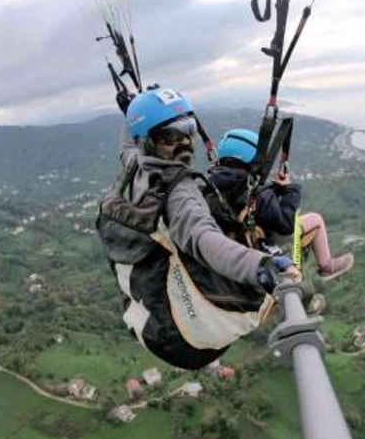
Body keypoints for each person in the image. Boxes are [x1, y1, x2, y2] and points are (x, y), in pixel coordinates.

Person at [96, 87, 297, 370]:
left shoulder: (134, 167)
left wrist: (132, 113)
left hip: (154, 328)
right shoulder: (180, 194)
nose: (185, 144)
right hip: (190, 343)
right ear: (147, 141)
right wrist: (261, 267)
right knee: (268, 250)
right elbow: (204, 239)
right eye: (170, 137)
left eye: (189, 131)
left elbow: (127, 147)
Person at [208, 127, 354, 281]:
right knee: (316, 219)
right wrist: (290, 190)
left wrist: (275, 190)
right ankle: (327, 267)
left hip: (230, 243)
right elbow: (286, 224)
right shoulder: (255, 193)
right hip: (261, 239)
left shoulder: (212, 185)